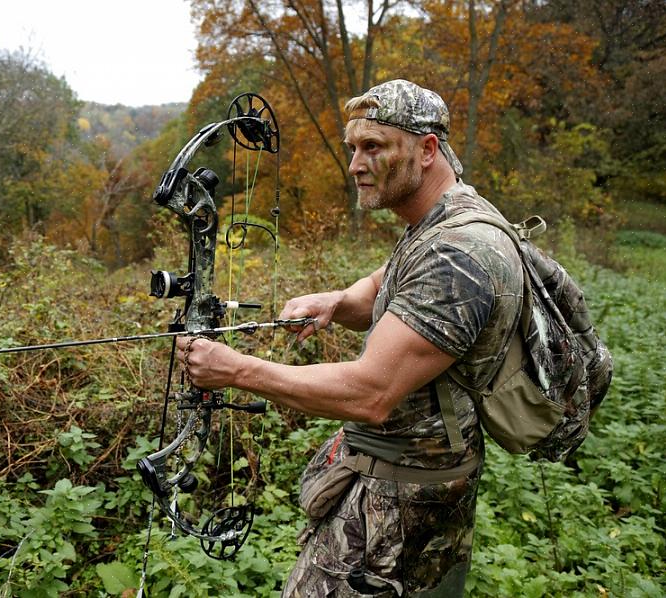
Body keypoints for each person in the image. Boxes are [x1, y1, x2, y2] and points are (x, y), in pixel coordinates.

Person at [177, 79, 524, 597]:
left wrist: (235, 370)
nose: (356, 164)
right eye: (353, 149)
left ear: (427, 149)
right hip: (400, 487)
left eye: (374, 147)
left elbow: (370, 393)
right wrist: (335, 303)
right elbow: (386, 284)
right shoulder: (442, 223)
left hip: (401, 514)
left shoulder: (460, 254)